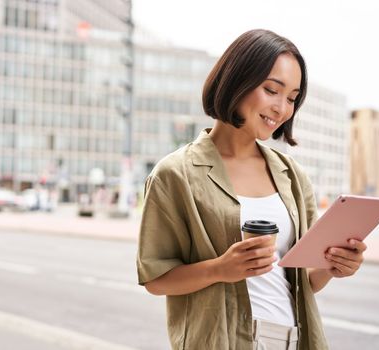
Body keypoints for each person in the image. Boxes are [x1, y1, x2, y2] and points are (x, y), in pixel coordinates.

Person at [137, 29, 366, 350]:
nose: (282, 108)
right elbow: (156, 279)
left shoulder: (292, 176)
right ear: (237, 81)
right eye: (272, 90)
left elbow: (304, 283)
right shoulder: (175, 173)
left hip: (294, 340)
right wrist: (220, 269)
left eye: (292, 98)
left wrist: (333, 266)